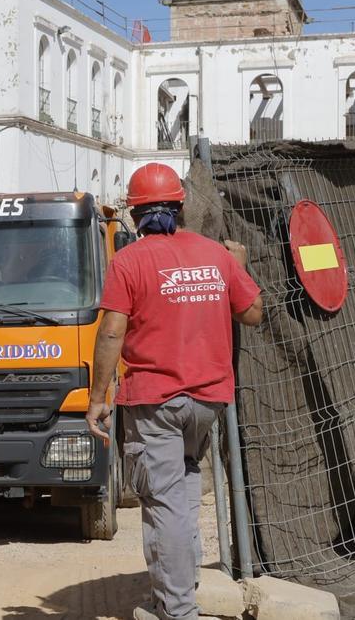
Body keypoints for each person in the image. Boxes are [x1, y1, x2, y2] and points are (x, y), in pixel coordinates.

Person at [85, 163, 263, 620]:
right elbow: (253, 312)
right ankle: (182, 591)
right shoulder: (216, 255)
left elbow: (112, 332)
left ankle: (177, 610)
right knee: (182, 490)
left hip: (155, 402)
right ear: (180, 207)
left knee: (163, 503)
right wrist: (238, 268)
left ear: (135, 214)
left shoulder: (129, 261)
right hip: (207, 401)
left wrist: (98, 398)